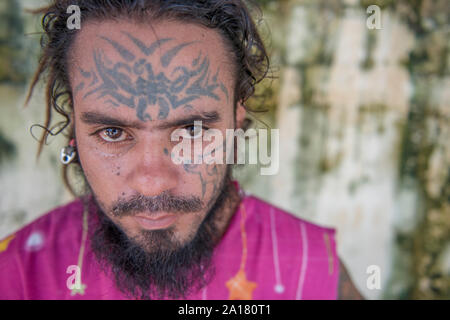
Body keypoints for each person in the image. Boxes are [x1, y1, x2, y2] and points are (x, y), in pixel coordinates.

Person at [0, 0, 363, 300]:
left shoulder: (313, 269)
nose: (152, 184)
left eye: (192, 130)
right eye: (112, 132)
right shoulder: (17, 272)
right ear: (74, 129)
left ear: (236, 120)